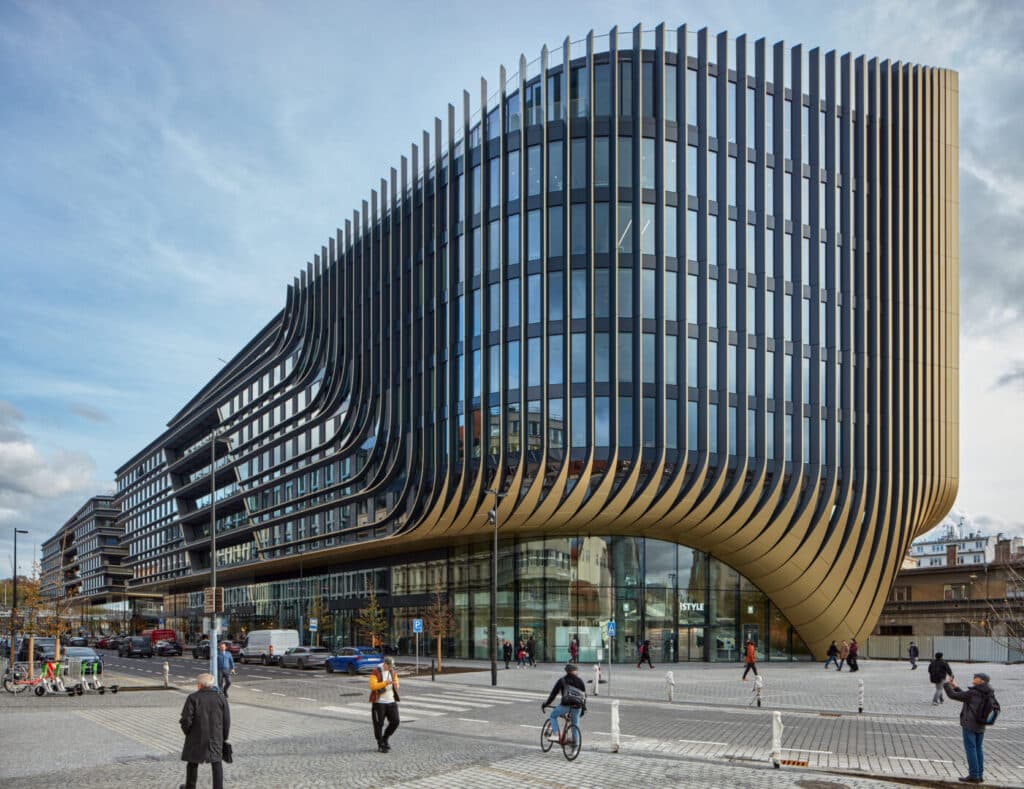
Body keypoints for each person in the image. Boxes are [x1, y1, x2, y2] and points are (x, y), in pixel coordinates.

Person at [944, 672, 999, 784]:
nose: (974, 678)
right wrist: (955, 686)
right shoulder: (988, 692)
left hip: (969, 724)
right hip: (981, 724)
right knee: (978, 748)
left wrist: (946, 684)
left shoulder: (974, 692)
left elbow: (953, 696)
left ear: (982, 681)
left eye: (977, 677)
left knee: (971, 749)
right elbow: (964, 696)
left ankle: (974, 775)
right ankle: (979, 775)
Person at [179, 672, 230, 789]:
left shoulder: (193, 698)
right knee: (217, 763)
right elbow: (226, 720)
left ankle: (190, 787)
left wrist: (187, 732)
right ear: (211, 685)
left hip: (196, 736)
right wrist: (224, 737)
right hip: (216, 736)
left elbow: (186, 720)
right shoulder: (221, 697)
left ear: (199, 685)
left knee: (192, 762)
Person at [542, 664, 587, 743]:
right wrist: (583, 709)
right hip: (577, 706)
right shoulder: (580, 681)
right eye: (576, 670)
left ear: (567, 671)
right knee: (575, 725)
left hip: (566, 705)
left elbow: (553, 694)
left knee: (553, 716)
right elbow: (584, 696)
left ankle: (556, 734)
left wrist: (546, 703)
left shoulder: (562, 680)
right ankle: (575, 747)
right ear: (575, 671)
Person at [369, 655, 401, 753]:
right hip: (379, 703)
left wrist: (396, 684)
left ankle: (385, 738)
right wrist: (385, 683)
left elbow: (396, 682)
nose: (391, 667)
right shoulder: (375, 672)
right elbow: (373, 686)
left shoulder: (392, 671)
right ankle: (380, 744)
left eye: (392, 666)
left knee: (395, 721)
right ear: (385, 664)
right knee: (379, 724)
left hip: (391, 701)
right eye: (390, 666)